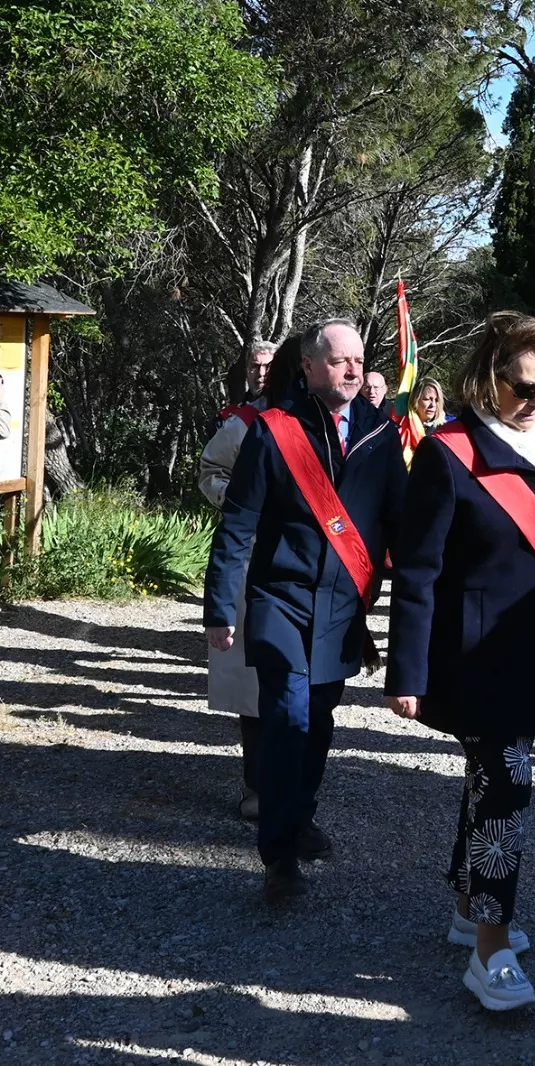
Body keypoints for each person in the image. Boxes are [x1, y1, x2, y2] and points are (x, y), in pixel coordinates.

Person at [386, 312, 535, 1011]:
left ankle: (463, 905)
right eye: (524, 386)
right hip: (475, 653)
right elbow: (416, 571)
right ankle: (490, 945)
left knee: (488, 779)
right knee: (508, 788)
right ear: (491, 377)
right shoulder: (449, 452)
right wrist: (407, 672)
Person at [203, 318, 407, 902]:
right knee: (287, 719)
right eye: (339, 360)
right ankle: (278, 855)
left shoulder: (382, 434)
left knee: (317, 723)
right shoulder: (274, 430)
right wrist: (220, 606)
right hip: (279, 602)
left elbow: (402, 525)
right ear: (310, 367)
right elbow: (238, 523)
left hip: (343, 610)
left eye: (359, 361)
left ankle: (298, 817)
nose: (352, 370)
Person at [197, 338, 280, 820]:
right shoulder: (240, 423)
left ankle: (294, 787)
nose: (262, 373)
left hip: (302, 563)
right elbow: (211, 471)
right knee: (251, 679)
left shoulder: (311, 419)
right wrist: (244, 500)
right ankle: (255, 786)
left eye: (271, 366)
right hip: (250, 557)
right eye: (255, 366)